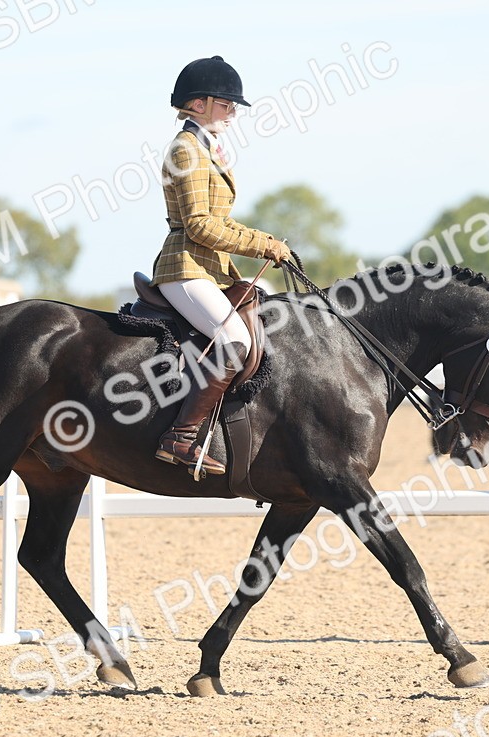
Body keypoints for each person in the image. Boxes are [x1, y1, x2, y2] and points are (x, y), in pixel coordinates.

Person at [151, 55, 292, 475]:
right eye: (226, 105)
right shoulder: (186, 150)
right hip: (185, 267)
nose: (233, 113)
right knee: (234, 339)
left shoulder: (206, 148)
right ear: (198, 104)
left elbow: (222, 222)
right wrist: (262, 245)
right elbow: (199, 225)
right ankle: (181, 436)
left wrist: (265, 242)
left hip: (209, 268)